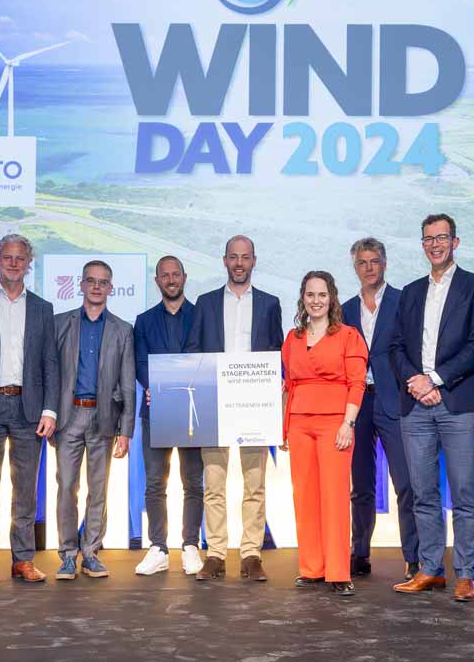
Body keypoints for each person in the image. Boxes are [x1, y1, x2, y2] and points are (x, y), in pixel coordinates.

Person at [388, 214, 474, 602]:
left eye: (442, 237)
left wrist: (437, 379)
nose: (435, 244)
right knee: (422, 493)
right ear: (422, 244)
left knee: (464, 493)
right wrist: (416, 382)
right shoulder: (410, 292)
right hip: (415, 405)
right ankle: (430, 569)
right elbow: (395, 346)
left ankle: (465, 573)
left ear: (456, 242)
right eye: (429, 239)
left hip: (459, 402)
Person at [0, 234, 59, 585]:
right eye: (7, 257)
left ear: (29, 263)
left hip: (29, 408)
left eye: (20, 258)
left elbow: (50, 363)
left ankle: (23, 559)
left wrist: (50, 410)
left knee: (26, 489)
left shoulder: (43, 308)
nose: (14, 263)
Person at [188, 235, 285, 583]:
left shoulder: (271, 304)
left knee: (255, 484)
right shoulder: (206, 303)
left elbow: (277, 354)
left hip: (255, 406)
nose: (239, 263)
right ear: (224, 261)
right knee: (213, 484)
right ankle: (214, 554)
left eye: (245, 257)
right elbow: (195, 352)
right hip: (216, 404)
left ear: (254, 260)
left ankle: (251, 554)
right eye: (233, 257)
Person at [282, 271, 367, 597]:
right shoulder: (293, 337)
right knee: (304, 496)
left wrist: (348, 423)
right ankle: (312, 568)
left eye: (322, 294)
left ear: (331, 298)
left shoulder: (348, 336)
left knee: (333, 497)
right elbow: (289, 385)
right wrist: (284, 426)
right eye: (310, 295)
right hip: (300, 423)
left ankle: (338, 571)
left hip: (335, 423)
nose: (316, 301)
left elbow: (356, 383)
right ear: (302, 299)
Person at [51, 261, 136, 580]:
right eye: (91, 281)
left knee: (98, 489)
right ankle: (68, 554)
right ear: (81, 284)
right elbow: (50, 374)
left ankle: (91, 552)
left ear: (111, 288)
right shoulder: (60, 324)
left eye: (103, 282)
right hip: (68, 416)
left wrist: (125, 430)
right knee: (66, 487)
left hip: (103, 418)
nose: (97, 287)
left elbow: (128, 383)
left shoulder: (122, 329)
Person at [342, 238, 418, 580]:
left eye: (374, 261)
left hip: (397, 400)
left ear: (384, 263)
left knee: (406, 483)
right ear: (355, 267)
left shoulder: (405, 302)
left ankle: (414, 558)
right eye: (362, 262)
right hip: (359, 403)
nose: (368, 267)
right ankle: (359, 552)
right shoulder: (343, 309)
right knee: (360, 485)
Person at [133, 255, 205, 577]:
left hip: (194, 410)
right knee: (154, 483)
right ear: (157, 281)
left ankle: (190, 545)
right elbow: (140, 364)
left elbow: (206, 359)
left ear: (185, 278)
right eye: (165, 275)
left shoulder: (202, 316)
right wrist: (158, 388)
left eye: (176, 274)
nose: (171, 280)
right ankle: (158, 548)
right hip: (155, 409)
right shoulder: (144, 320)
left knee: (193, 482)